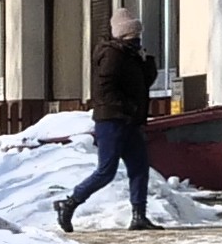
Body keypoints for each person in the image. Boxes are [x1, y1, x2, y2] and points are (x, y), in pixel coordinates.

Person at [58, 23, 163, 231]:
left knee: (139, 168)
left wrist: (147, 62)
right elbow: (105, 88)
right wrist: (126, 107)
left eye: (139, 34)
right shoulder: (112, 55)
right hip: (112, 121)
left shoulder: (131, 55)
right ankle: (69, 203)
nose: (137, 38)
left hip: (131, 120)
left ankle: (139, 215)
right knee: (106, 171)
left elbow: (143, 84)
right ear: (123, 35)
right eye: (133, 34)